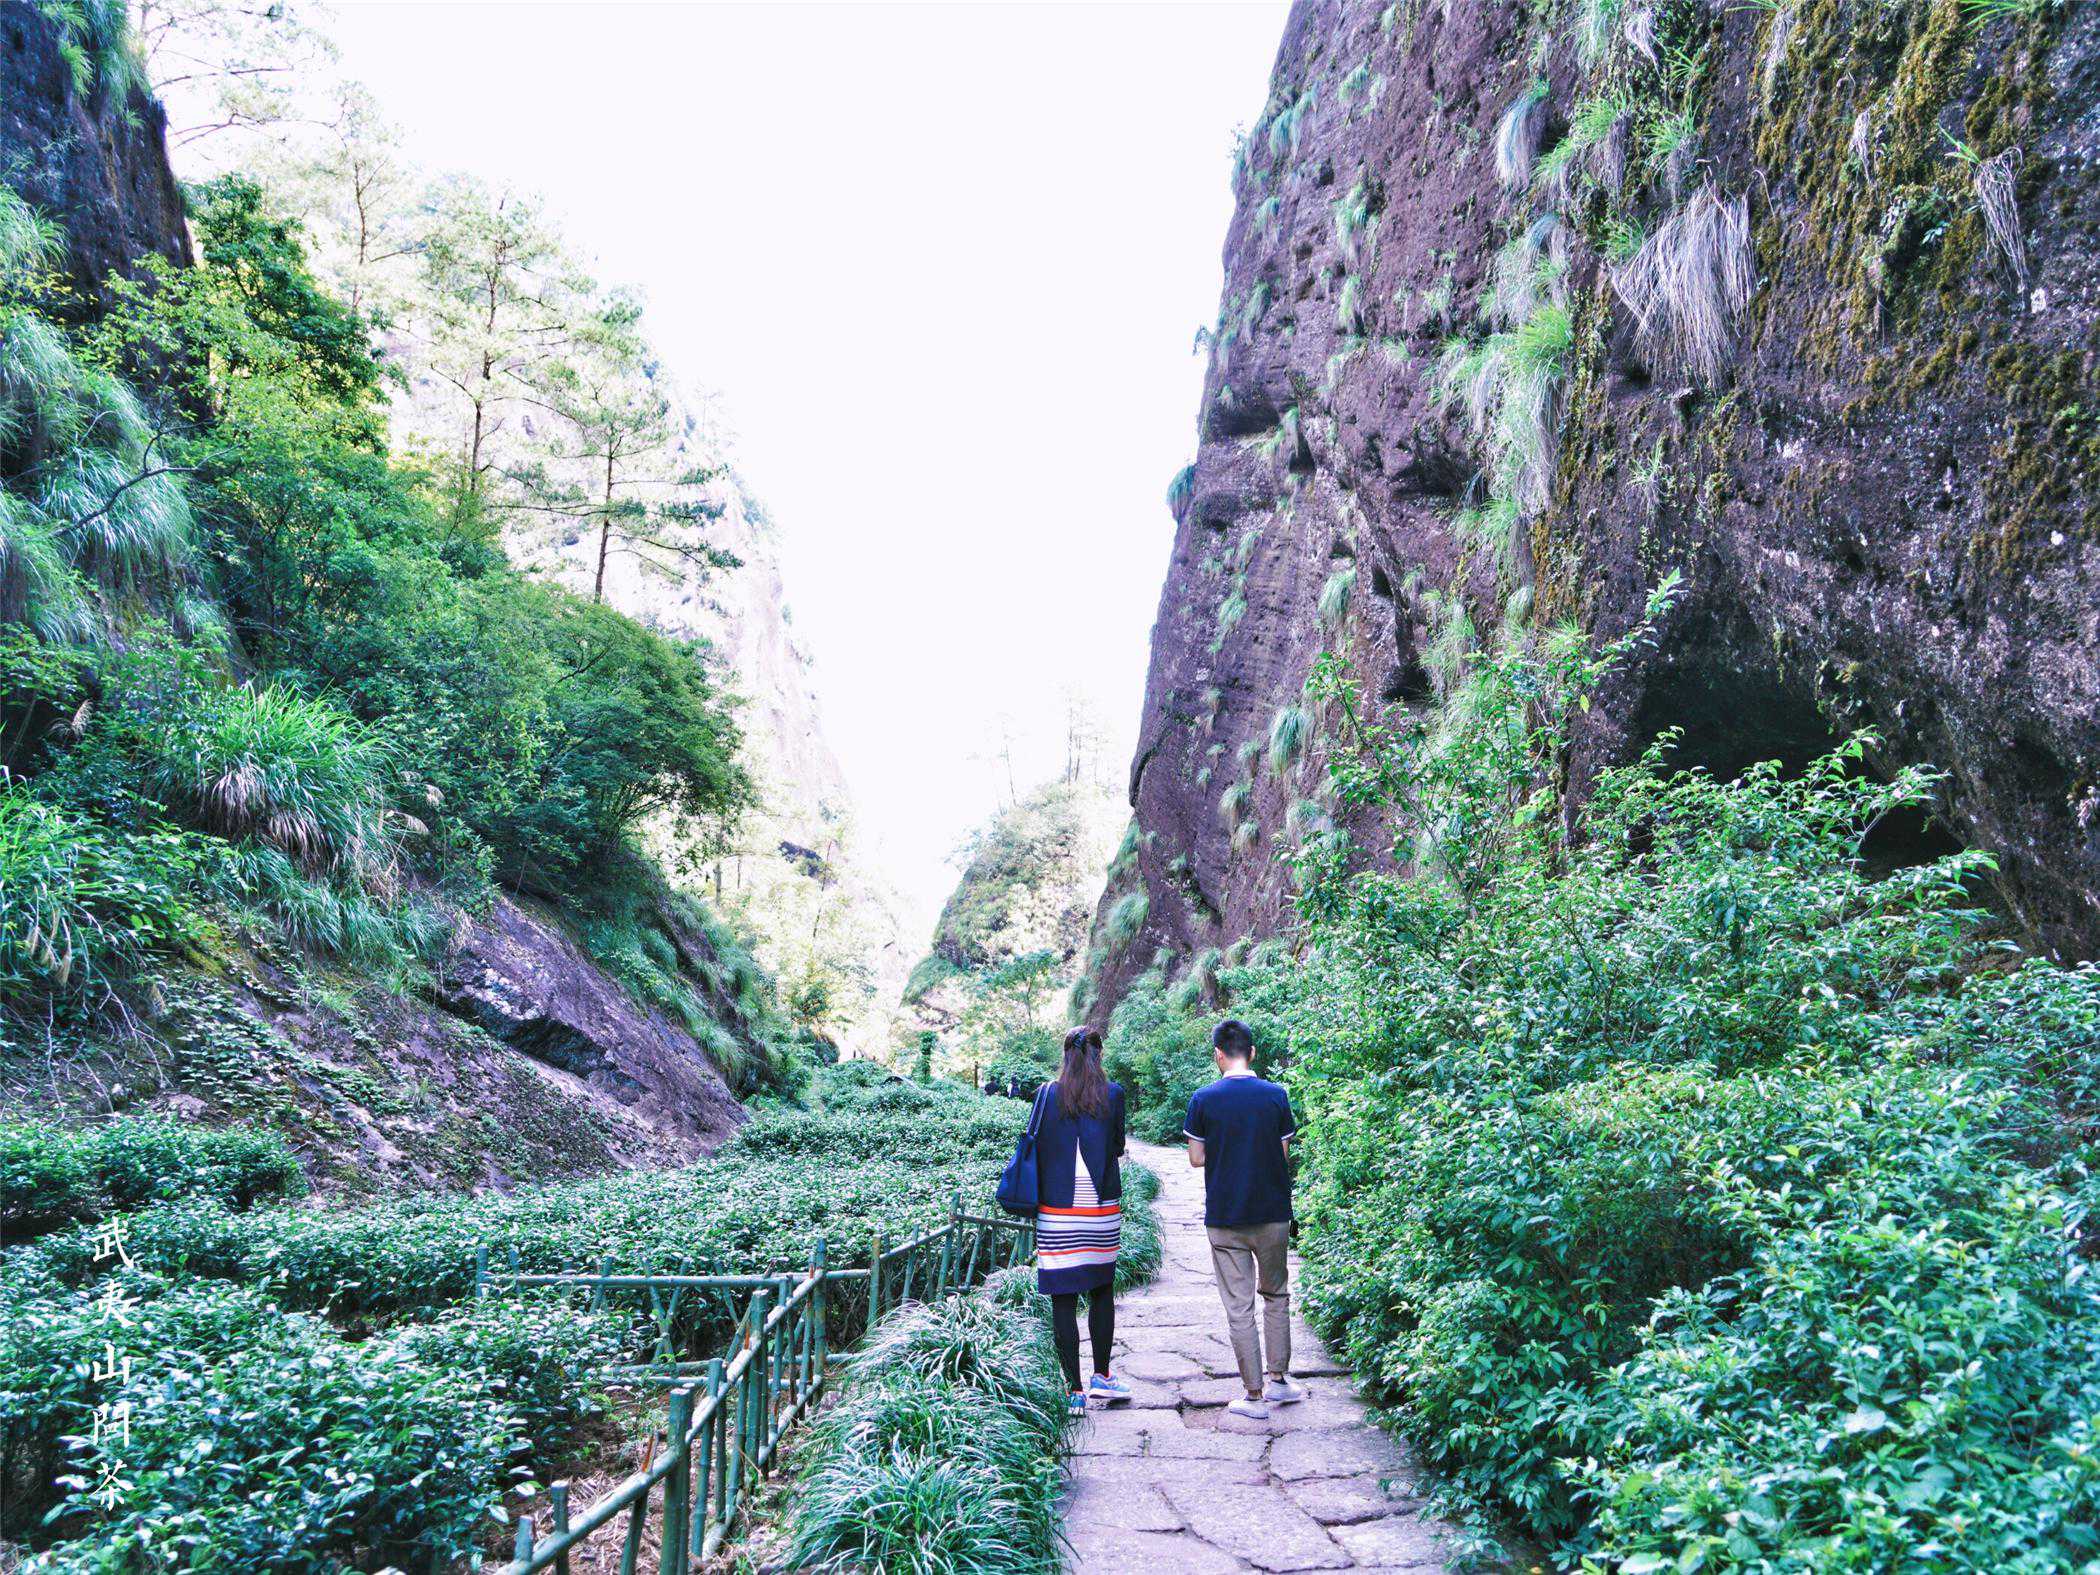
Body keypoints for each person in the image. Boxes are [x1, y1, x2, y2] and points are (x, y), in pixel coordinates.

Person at [1185, 1017, 1307, 1420]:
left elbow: (1196, 1158)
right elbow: (1284, 1154)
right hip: (1272, 1213)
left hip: (1225, 1216)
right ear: (1252, 1052)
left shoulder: (1203, 1099)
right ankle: (1280, 1382)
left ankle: (1253, 1397)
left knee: (1239, 1307)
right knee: (1276, 1294)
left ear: (1218, 1054)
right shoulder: (1276, 1095)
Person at [1034, 1025, 1132, 1416]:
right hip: (1099, 1208)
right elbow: (1118, 1145)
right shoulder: (1113, 1095)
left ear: (1066, 1056)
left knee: (1063, 1297)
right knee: (1101, 1289)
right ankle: (1102, 1377)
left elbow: (1036, 1146)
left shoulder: (1046, 1095)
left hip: (1057, 1210)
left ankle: (1073, 1390)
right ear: (1097, 1055)